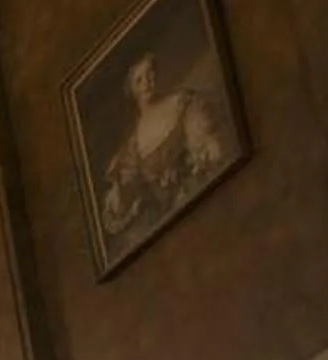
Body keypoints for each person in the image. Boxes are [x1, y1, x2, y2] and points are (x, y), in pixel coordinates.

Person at [99, 49, 231, 245]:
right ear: (132, 90)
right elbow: (128, 191)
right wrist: (119, 193)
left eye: (150, 73)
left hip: (205, 191)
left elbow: (208, 144)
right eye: (139, 80)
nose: (147, 83)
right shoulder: (133, 146)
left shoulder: (181, 102)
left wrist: (204, 156)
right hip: (172, 222)